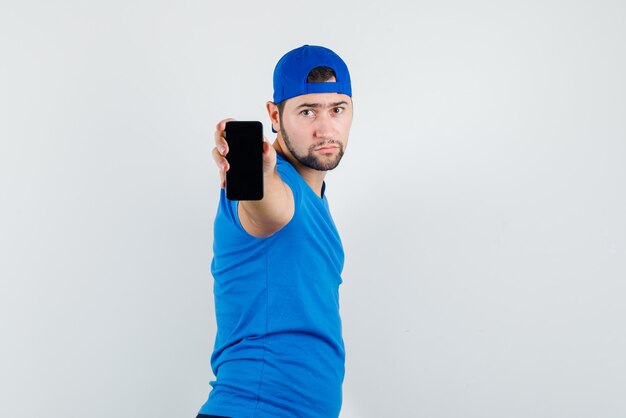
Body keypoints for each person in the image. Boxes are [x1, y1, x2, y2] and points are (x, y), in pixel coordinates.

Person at [197, 45, 354, 418]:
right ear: (274, 115)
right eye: (307, 111)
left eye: (337, 109)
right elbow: (269, 210)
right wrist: (257, 177)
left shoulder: (316, 199)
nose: (325, 127)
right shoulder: (274, 183)